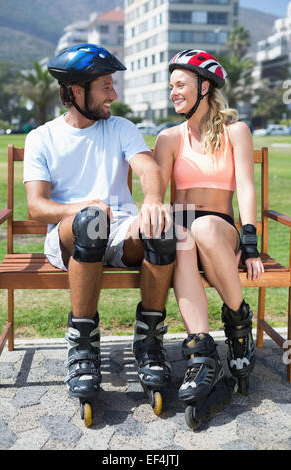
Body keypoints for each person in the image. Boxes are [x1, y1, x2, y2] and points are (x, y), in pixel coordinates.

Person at [23, 44, 175, 422]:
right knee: (92, 221)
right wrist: (84, 207)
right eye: (106, 86)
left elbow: (146, 168)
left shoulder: (120, 127)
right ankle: (83, 346)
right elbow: (37, 206)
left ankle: (149, 341)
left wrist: (154, 200)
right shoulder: (42, 137)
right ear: (77, 90)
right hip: (70, 237)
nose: (114, 94)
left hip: (120, 229)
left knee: (163, 228)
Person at [154, 49, 264, 427]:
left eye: (180, 84)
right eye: (170, 86)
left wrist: (249, 241)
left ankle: (237, 321)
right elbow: (157, 195)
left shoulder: (236, 132)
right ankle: (201, 350)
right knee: (183, 235)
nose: (173, 92)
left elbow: (246, 188)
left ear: (204, 86)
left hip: (220, 226)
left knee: (198, 228)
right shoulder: (168, 138)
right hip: (184, 227)